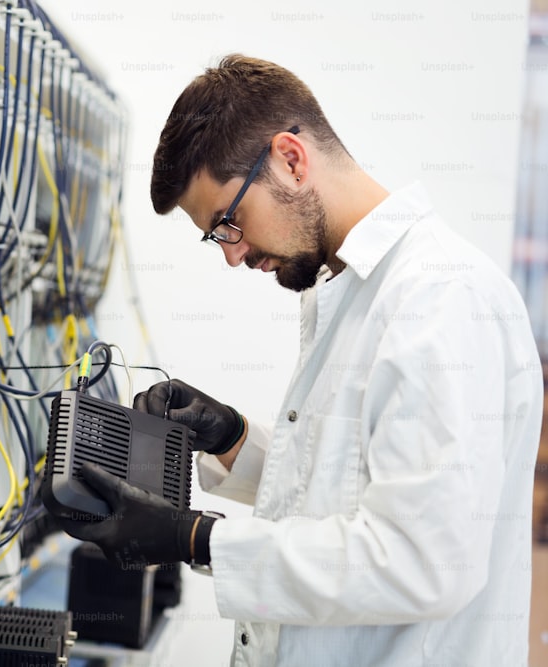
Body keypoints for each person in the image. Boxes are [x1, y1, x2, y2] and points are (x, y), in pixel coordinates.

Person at [49, 54, 543, 666]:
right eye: (216, 237)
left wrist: (197, 539)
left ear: (290, 157)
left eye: (229, 223)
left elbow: (425, 562)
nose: (233, 256)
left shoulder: (439, 299)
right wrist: (231, 438)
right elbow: (344, 490)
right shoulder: (348, 289)